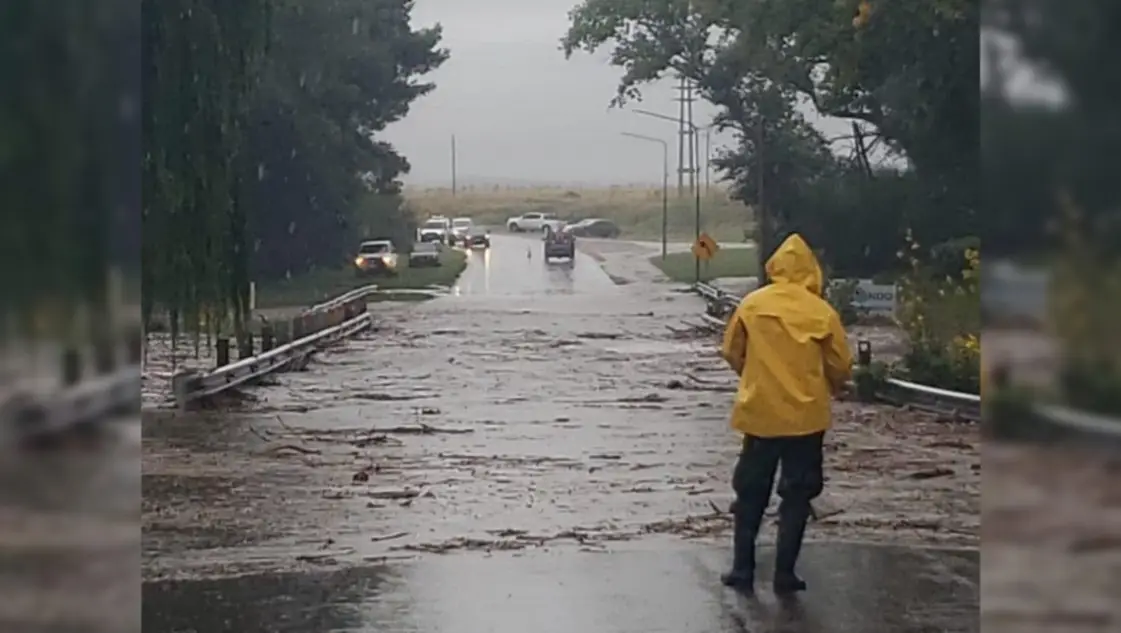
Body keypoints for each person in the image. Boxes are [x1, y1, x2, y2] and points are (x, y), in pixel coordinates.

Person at [718, 232, 853, 595]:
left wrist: (752, 376)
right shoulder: (821, 311)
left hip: (760, 414)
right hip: (807, 419)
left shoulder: (752, 304)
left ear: (775, 266)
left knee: (750, 492)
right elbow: (841, 365)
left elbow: (731, 350)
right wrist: (832, 386)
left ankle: (742, 569)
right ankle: (785, 574)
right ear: (811, 270)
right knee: (797, 495)